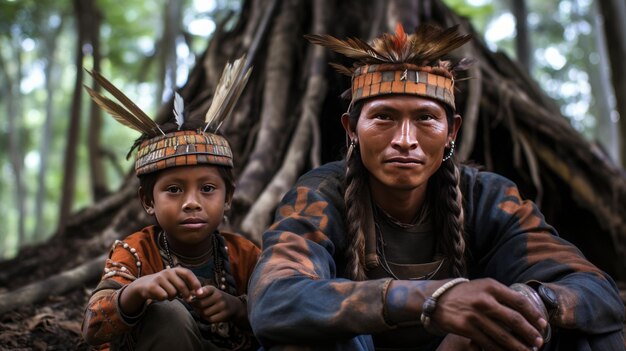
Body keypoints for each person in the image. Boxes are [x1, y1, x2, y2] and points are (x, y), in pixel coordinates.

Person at [247, 24, 625, 350]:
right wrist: (433, 300)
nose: (405, 139)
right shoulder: (319, 195)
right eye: (384, 117)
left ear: (451, 132)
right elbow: (274, 300)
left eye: (426, 118)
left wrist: (533, 301)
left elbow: (596, 290)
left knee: (592, 334)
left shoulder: (487, 197)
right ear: (351, 130)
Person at [81, 57, 260, 350]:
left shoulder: (245, 255)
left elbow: (283, 315)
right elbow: (93, 328)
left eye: (207, 189)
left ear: (227, 198)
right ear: (147, 201)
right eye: (174, 190)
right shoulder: (135, 252)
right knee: (167, 313)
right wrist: (136, 292)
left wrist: (238, 308)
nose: (191, 202)